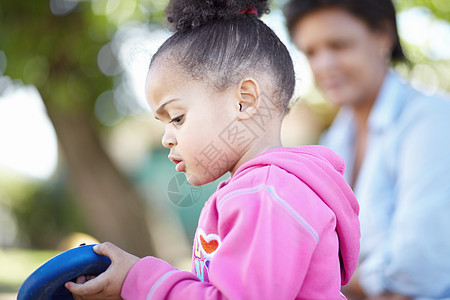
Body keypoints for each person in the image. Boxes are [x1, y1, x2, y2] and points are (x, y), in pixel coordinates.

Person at [65, 0, 360, 299]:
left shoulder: (265, 194)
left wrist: (139, 280)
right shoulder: (263, 191)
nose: (166, 139)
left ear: (244, 100)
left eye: (177, 118)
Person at [283, 0, 450, 299]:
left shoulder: (433, 119)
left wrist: (326, 279)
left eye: (339, 45)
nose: (323, 65)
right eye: (311, 52)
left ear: (383, 34)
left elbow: (417, 269)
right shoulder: (333, 141)